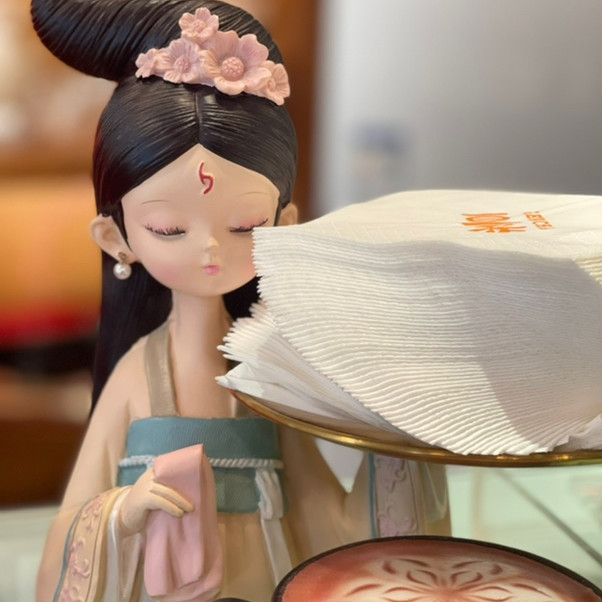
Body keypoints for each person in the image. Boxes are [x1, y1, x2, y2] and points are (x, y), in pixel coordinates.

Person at [31, 1, 450, 600]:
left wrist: (398, 442)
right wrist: (125, 511)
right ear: (116, 238)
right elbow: (73, 526)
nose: (209, 249)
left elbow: (326, 518)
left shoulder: (266, 374)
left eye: (245, 226)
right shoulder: (136, 376)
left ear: (284, 224)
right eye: (169, 230)